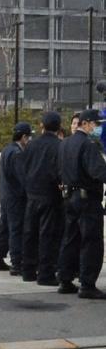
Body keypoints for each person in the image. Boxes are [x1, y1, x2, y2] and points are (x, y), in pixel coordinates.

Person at [57, 109, 106, 299]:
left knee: (70, 239)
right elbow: (98, 172)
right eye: (95, 124)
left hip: (69, 197)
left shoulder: (65, 143)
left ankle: (65, 279)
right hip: (87, 200)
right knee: (91, 241)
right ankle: (87, 284)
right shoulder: (88, 145)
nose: (97, 127)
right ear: (85, 123)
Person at [21, 112, 64, 285]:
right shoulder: (59, 146)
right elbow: (60, 170)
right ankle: (46, 273)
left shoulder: (31, 145)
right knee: (48, 235)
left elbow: (24, 167)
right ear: (59, 128)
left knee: (30, 233)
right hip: (51, 195)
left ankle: (28, 270)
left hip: (32, 194)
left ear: (41, 126)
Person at [0, 122, 31, 274]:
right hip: (16, 196)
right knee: (16, 228)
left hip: (5, 195)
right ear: (23, 137)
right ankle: (16, 262)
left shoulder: (6, 150)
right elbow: (22, 177)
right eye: (28, 137)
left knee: (4, 226)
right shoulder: (17, 153)